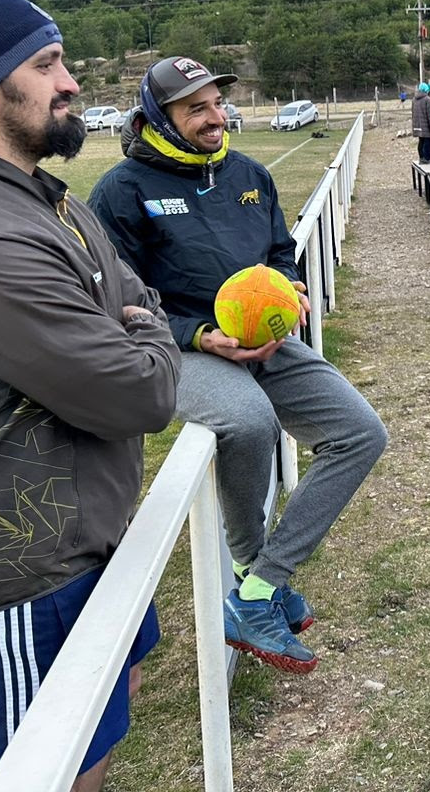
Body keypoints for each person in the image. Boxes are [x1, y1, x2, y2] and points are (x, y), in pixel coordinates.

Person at [0, 0, 180, 789]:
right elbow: (142, 395)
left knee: (101, 732)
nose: (72, 82)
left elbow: (138, 296)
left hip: (91, 539)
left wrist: (137, 317)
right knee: (58, 776)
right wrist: (140, 323)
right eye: (48, 64)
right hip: (24, 575)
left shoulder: (45, 200)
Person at [90, 57, 388, 676]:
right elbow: (114, 303)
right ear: (158, 119)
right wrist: (198, 334)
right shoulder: (122, 191)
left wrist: (291, 290)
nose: (214, 117)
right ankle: (257, 574)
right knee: (249, 421)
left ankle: (256, 590)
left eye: (217, 102)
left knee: (361, 433)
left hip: (269, 342)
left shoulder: (249, 174)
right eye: (195, 108)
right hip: (184, 348)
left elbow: (282, 253)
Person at [411, 82, 430, 162]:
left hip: (417, 125)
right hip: (426, 127)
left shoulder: (414, 99)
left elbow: (413, 113)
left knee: (421, 141)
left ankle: (421, 158)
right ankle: (428, 158)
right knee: (428, 142)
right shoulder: (427, 100)